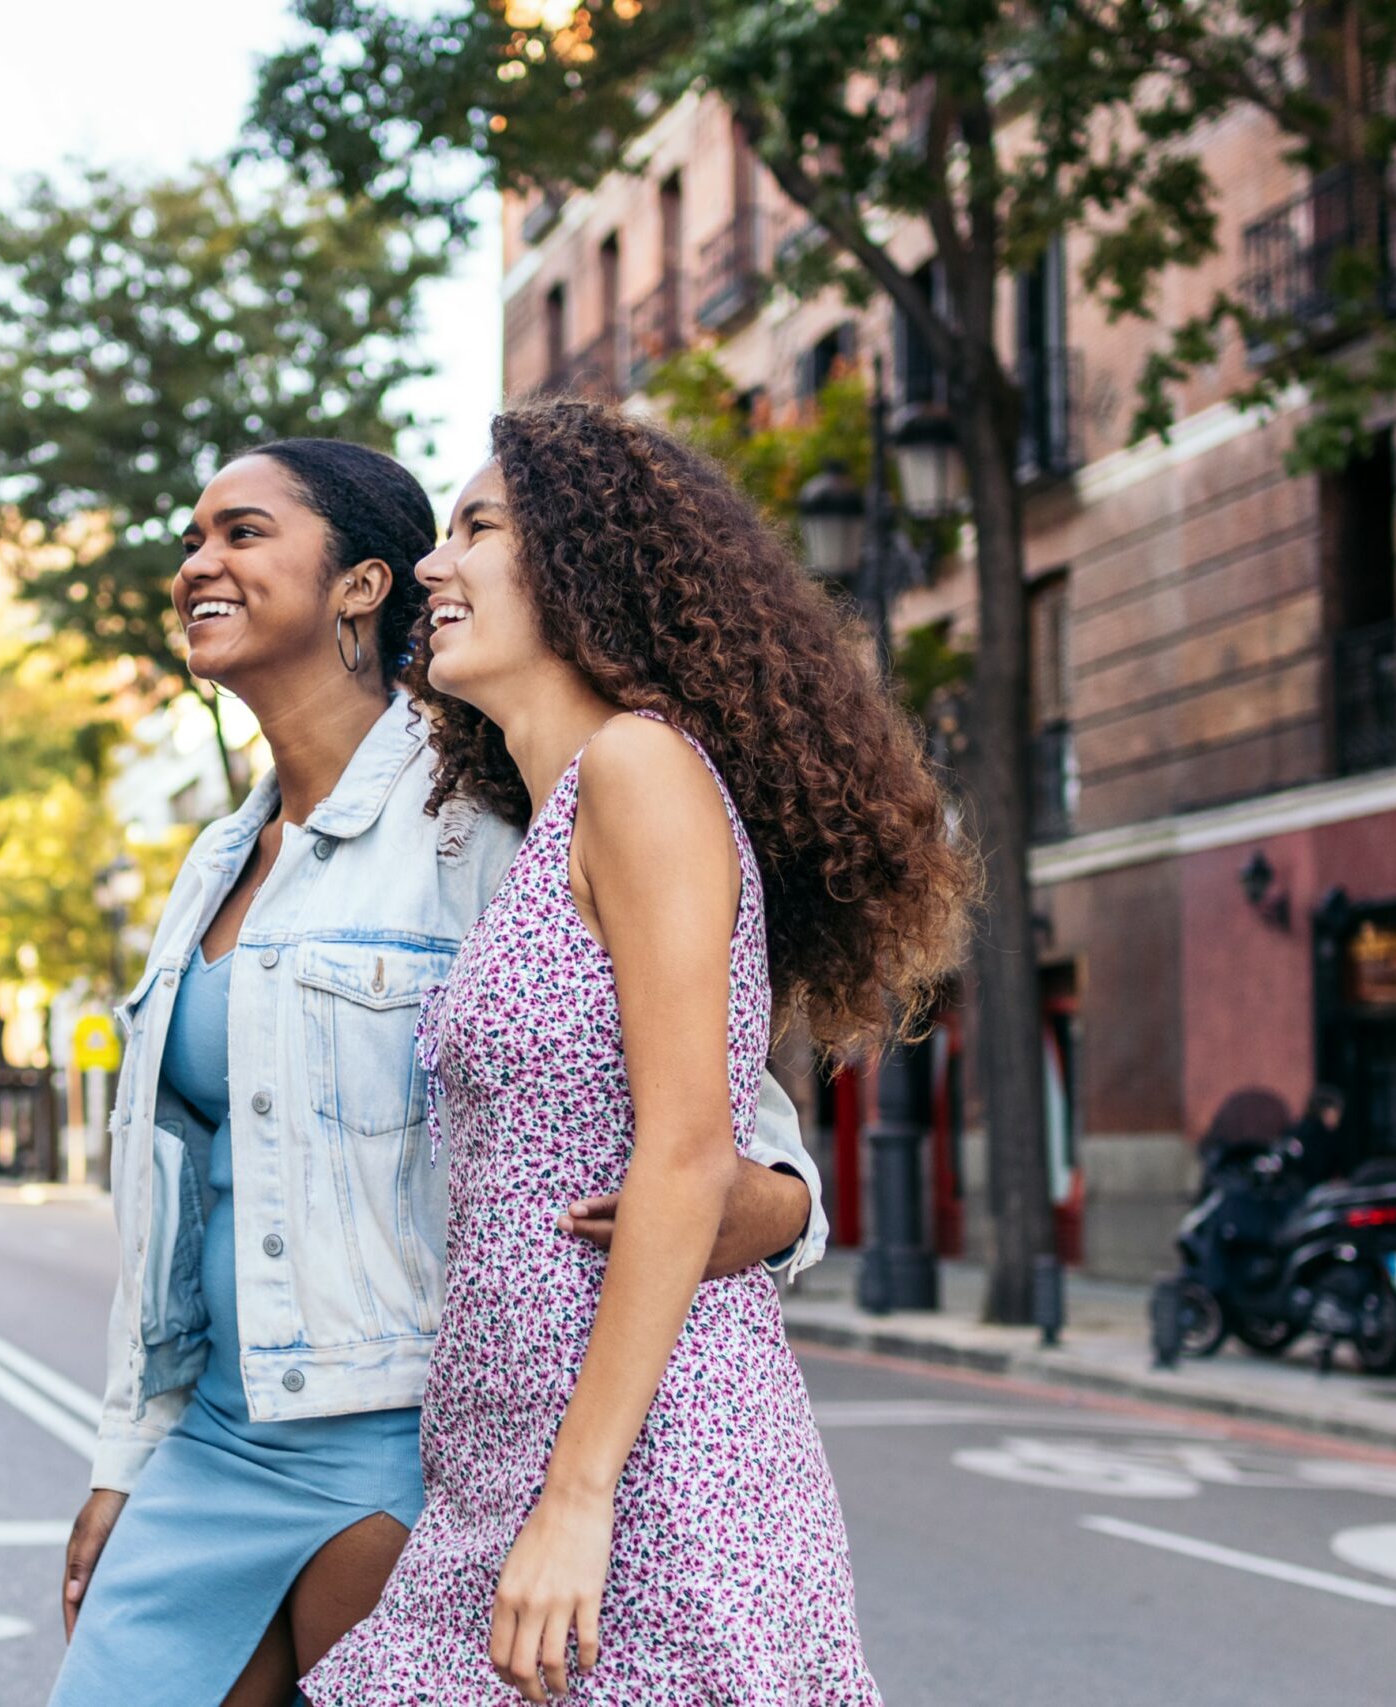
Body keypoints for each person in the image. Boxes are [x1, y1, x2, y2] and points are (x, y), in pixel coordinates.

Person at [54, 439, 828, 1707]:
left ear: (359, 588)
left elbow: (721, 1119)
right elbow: (179, 1194)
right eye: (192, 538)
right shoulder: (213, 863)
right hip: (220, 1438)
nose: (197, 562)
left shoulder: (499, 814)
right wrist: (125, 1451)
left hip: (416, 1435)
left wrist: (769, 1200)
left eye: (241, 534)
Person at [304, 402, 974, 1704]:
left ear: (585, 565)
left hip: (648, 1463)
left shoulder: (641, 768)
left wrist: (577, 1499)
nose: (435, 568)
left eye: (479, 529)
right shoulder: (553, 817)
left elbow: (689, 1149)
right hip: (512, 1456)